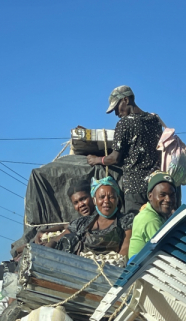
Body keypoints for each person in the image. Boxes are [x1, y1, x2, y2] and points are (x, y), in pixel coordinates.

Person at [87, 86, 163, 214]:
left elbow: (114, 158)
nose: (116, 113)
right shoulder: (155, 121)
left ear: (126, 100)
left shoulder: (125, 123)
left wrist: (97, 160)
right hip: (156, 185)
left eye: (116, 108)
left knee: (136, 226)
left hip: (135, 188)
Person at [51, 176, 133, 258]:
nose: (106, 201)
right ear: (94, 200)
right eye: (102, 197)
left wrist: (116, 264)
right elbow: (56, 240)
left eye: (111, 197)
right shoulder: (83, 222)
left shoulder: (125, 221)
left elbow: (126, 247)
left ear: (117, 199)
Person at [128, 171, 177, 259]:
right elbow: (166, 253)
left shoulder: (157, 215)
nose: (168, 199)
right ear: (150, 196)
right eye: (162, 195)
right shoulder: (150, 219)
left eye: (172, 195)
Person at [33, 180, 95, 245]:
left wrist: (50, 244)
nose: (81, 205)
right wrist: (42, 231)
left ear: (92, 196)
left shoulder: (98, 217)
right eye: (76, 203)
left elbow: (58, 238)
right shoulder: (79, 222)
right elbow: (64, 226)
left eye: (83, 199)